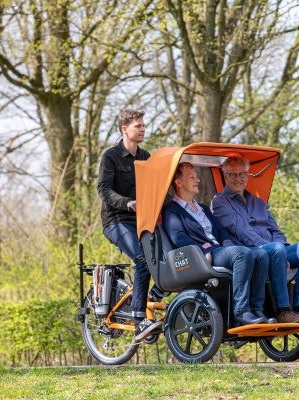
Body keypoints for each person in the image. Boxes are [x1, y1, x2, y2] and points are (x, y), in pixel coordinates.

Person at [211, 156, 299, 323]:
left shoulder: (259, 202)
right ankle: (283, 310)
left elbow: (275, 230)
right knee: (277, 250)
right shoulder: (220, 202)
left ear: (248, 174)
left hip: (274, 249)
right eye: (232, 175)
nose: (238, 179)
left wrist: (281, 251)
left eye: (242, 174)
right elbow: (243, 232)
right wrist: (276, 250)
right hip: (250, 251)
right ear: (225, 176)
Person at [162, 162, 275, 325]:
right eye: (192, 177)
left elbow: (221, 231)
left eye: (197, 177)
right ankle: (241, 312)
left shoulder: (203, 208)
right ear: (178, 183)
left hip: (220, 250)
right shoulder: (172, 211)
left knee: (261, 254)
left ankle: (257, 309)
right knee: (243, 254)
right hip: (202, 256)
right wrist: (203, 248)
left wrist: (228, 245)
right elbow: (178, 237)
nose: (197, 180)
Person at [97, 109, 162, 341]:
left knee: (167, 253)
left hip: (141, 219)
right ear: (124, 129)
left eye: (144, 125)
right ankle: (138, 318)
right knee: (142, 259)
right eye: (138, 125)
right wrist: (127, 203)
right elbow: (104, 190)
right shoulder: (110, 156)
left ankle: (154, 296)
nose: (143, 129)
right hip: (116, 220)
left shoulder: (146, 157)